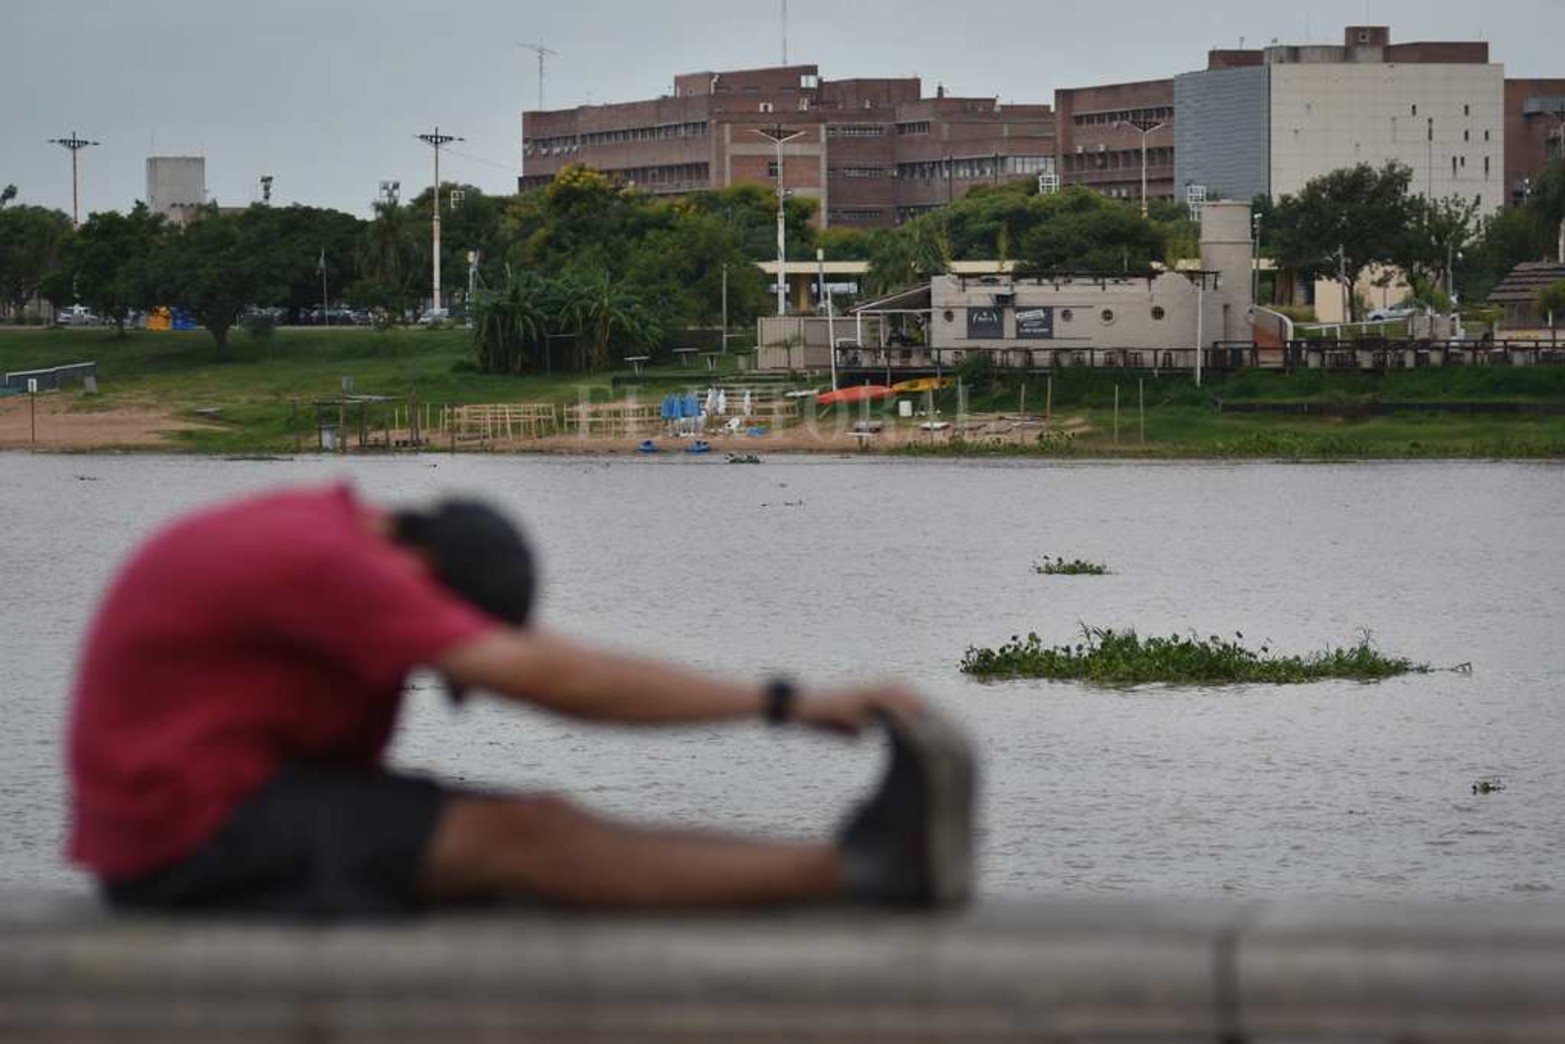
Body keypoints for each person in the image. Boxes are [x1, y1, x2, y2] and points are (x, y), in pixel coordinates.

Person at [67, 483, 974, 918]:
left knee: (527, 833)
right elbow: (559, 683)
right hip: (188, 838)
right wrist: (785, 703)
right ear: (432, 582)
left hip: (221, 808)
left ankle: (853, 865)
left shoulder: (332, 537)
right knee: (525, 839)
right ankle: (863, 872)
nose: (441, 683)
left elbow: (539, 665)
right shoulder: (332, 564)